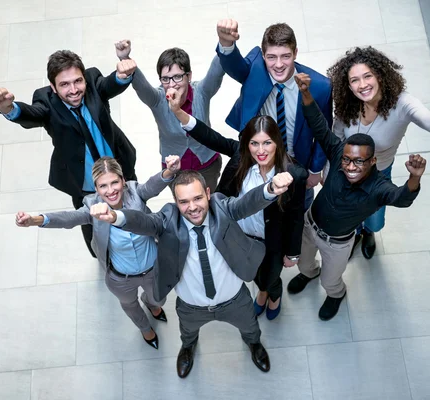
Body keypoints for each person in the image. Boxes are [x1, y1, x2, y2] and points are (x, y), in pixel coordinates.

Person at [91, 169, 295, 378]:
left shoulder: (222, 208)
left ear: (208, 193)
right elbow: (143, 222)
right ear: (176, 202)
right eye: (184, 202)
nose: (193, 207)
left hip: (234, 299)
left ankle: (254, 344)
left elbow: (246, 203)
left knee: (250, 327)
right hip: (191, 305)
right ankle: (188, 348)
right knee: (187, 333)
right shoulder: (167, 220)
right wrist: (116, 217)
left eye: (198, 198)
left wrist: (270, 189)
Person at [327, 46, 430, 259]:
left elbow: (429, 119)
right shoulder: (347, 103)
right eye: (354, 80)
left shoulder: (401, 103)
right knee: (348, 209)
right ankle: (354, 233)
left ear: (380, 75)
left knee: (375, 218)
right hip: (347, 170)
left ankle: (368, 232)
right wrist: (329, 169)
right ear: (348, 85)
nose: (362, 85)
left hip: (378, 174)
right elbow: (336, 136)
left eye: (367, 76)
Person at [287, 72, 426, 321]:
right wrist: (305, 92)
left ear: (372, 161)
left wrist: (414, 178)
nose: (351, 166)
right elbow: (318, 124)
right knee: (304, 263)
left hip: (337, 243)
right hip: (310, 225)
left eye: (360, 161)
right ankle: (309, 274)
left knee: (331, 280)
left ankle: (336, 294)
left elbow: (401, 198)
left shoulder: (378, 186)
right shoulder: (338, 150)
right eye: (347, 160)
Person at [166, 87, 307, 320]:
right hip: (242, 236)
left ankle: (273, 295)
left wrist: (292, 253)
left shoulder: (294, 174)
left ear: (277, 143)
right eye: (254, 144)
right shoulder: (241, 158)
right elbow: (210, 136)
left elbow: (295, 216)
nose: (260, 151)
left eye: (267, 143)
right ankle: (261, 292)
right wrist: (178, 112)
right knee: (252, 273)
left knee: (271, 275)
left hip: (273, 239)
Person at [14, 155, 181, 349]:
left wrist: (170, 170)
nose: (110, 191)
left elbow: (152, 185)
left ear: (123, 181)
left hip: (154, 269)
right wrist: (34, 220)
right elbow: (69, 218)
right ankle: (145, 328)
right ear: (96, 188)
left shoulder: (135, 192)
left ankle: (151, 304)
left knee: (159, 299)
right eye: (103, 186)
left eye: (114, 182)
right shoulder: (92, 206)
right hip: (121, 277)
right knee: (129, 304)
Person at [0, 49, 139, 258]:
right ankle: (99, 253)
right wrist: (8, 108)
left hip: (119, 166)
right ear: (53, 87)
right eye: (64, 84)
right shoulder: (46, 100)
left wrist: (122, 75)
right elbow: (33, 114)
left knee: (134, 205)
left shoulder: (93, 79)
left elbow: (109, 85)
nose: (74, 90)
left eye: (78, 81)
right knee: (88, 222)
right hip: (82, 181)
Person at [215, 19, 333, 209]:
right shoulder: (255, 66)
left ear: (295, 53)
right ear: (263, 55)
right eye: (271, 57)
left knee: (297, 210)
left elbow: (323, 133)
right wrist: (226, 43)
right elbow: (234, 66)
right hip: (259, 157)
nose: (278, 64)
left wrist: (314, 169)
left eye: (285, 56)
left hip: (296, 160)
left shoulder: (321, 87)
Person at [115, 40, 224, 192]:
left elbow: (216, 72)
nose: (172, 84)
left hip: (207, 164)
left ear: (189, 76)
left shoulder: (201, 92)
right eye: (165, 79)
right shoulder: (157, 99)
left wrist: (225, 45)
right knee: (185, 208)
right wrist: (125, 59)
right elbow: (141, 86)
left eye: (178, 77)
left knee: (209, 201)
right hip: (175, 169)